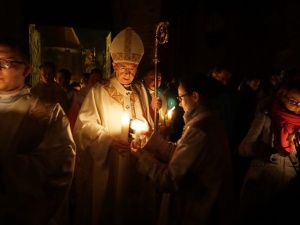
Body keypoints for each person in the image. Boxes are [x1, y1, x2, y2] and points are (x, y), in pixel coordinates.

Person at [72, 27, 159, 225]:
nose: (128, 73)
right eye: (123, 68)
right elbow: (84, 126)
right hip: (111, 159)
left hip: (138, 157)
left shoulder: (142, 90)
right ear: (114, 65)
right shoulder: (100, 91)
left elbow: (148, 122)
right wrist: (107, 141)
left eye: (132, 69)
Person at [130, 73, 236, 225]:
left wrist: (141, 157)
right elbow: (180, 153)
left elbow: (171, 178)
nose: (179, 104)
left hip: (197, 209)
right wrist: (150, 134)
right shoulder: (206, 122)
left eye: (180, 98)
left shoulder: (200, 129)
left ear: (195, 96)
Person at [0, 37, 76, 225]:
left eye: (6, 63)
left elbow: (59, 167)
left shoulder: (47, 113)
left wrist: (7, 169)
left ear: (26, 69)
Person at [238, 78, 300, 224]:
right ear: (280, 95)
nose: (298, 107)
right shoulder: (266, 118)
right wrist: (257, 149)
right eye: (293, 101)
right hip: (262, 185)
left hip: (288, 190)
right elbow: (243, 148)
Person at [142, 65, 169, 137]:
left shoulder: (162, 97)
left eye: (159, 78)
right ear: (145, 79)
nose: (156, 81)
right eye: (153, 78)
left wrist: (164, 125)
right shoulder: (140, 94)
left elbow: (164, 116)